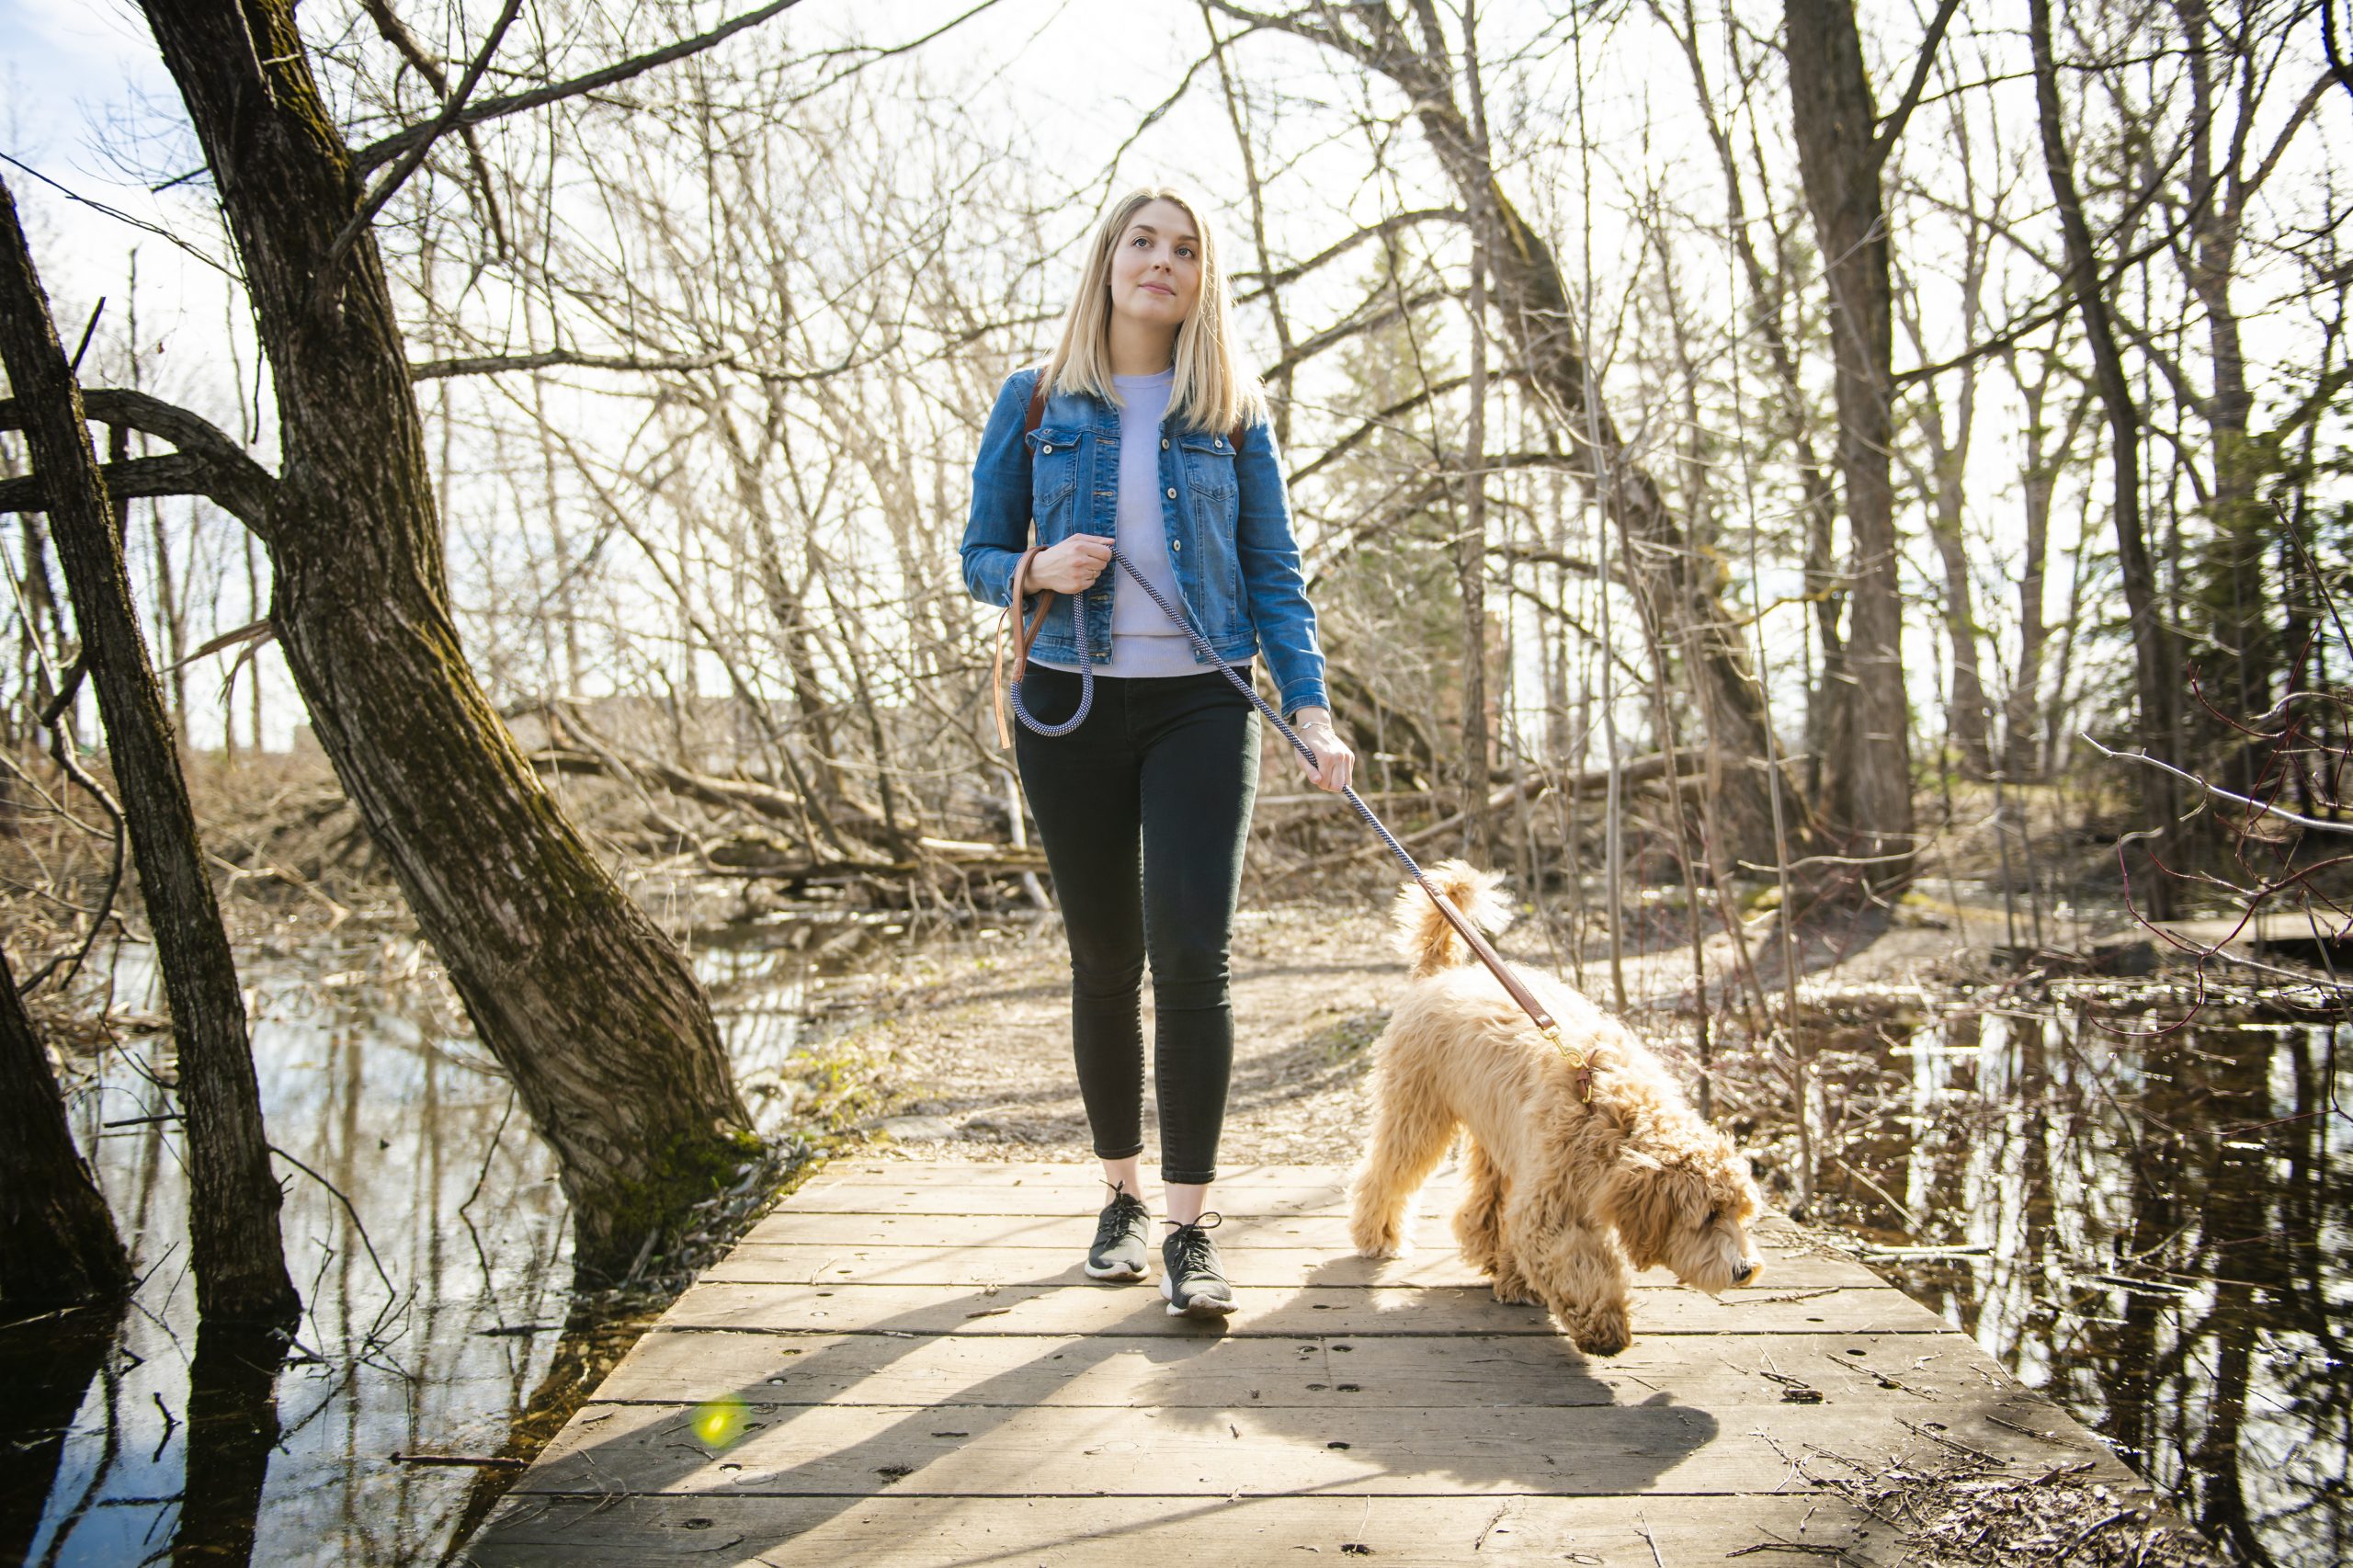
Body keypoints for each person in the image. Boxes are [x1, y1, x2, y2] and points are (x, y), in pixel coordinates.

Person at [961, 186, 1355, 1317]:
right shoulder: (1035, 402)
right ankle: (1119, 1195)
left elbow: (1276, 575)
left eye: (1185, 249)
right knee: (1103, 958)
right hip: (1069, 705)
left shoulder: (1229, 413)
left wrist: (1312, 709)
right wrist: (1036, 572)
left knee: (1192, 951)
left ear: (1202, 277)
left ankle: (1188, 1228)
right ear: (1108, 260)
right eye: (1144, 242)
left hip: (1200, 704)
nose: (1162, 262)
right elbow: (978, 553)